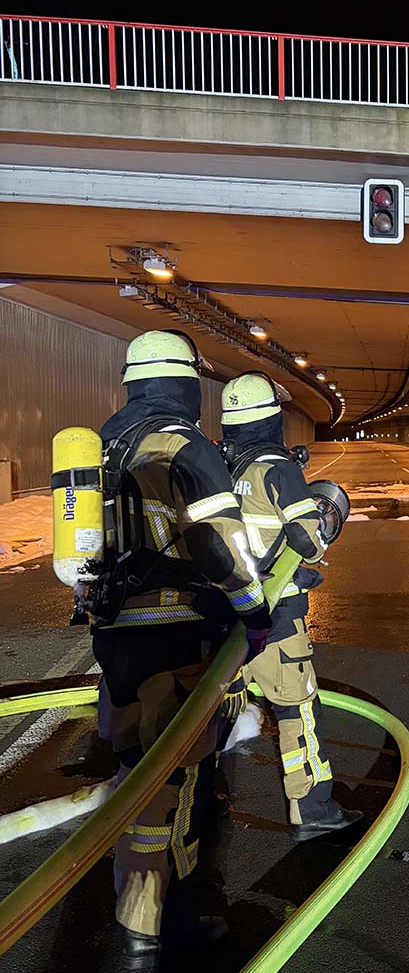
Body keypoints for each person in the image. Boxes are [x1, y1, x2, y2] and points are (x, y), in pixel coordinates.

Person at [92, 331, 271, 971]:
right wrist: (254, 616)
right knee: (176, 781)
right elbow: (224, 546)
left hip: (115, 640)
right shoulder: (183, 445)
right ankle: (164, 925)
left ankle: (140, 918)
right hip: (176, 634)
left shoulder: (106, 445)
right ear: (188, 386)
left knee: (136, 770)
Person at [217, 372, 362, 840]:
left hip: (227, 618)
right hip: (276, 620)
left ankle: (200, 804)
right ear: (273, 419)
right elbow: (308, 538)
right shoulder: (277, 467)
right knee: (297, 713)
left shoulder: (222, 466)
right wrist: (321, 523)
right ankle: (313, 810)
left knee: (218, 711)